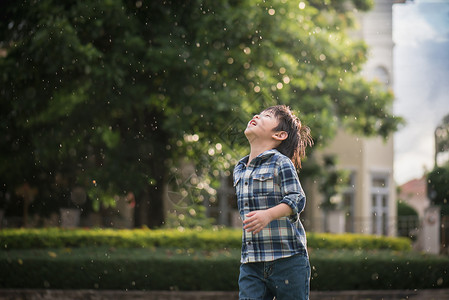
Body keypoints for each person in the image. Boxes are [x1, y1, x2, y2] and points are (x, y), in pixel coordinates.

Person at [233, 105, 313, 300]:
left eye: (266, 116)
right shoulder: (239, 169)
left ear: (279, 135)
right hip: (251, 262)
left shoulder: (280, 163)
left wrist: (268, 215)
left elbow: (297, 198)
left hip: (288, 260)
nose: (256, 116)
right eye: (258, 114)